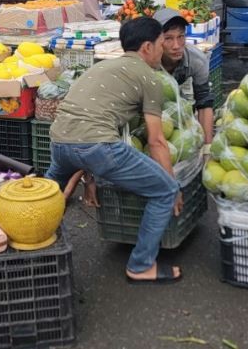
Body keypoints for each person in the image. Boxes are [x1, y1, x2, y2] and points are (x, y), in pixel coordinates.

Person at [45, 17, 184, 284]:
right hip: (99, 147)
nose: (163, 50)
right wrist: (173, 184)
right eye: (160, 44)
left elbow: (85, 123)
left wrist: (89, 178)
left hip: (59, 142)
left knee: (49, 195)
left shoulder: (102, 67)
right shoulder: (149, 78)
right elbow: (156, 141)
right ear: (147, 47)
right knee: (164, 190)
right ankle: (141, 265)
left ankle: (33, 241)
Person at [153, 9, 215, 143]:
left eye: (181, 37)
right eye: (168, 38)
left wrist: (207, 147)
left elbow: (204, 102)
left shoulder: (196, 59)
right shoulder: (147, 62)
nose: (176, 46)